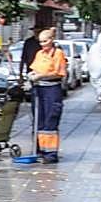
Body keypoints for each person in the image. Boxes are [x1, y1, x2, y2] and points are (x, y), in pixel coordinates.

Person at [27, 28, 67, 163]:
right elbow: (35, 68)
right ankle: (39, 150)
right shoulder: (39, 54)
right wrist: (32, 75)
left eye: (45, 41)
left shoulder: (58, 54)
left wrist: (41, 75)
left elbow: (58, 73)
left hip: (52, 89)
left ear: (51, 40)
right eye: (40, 42)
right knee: (39, 119)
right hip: (39, 89)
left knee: (51, 118)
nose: (42, 44)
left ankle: (50, 154)